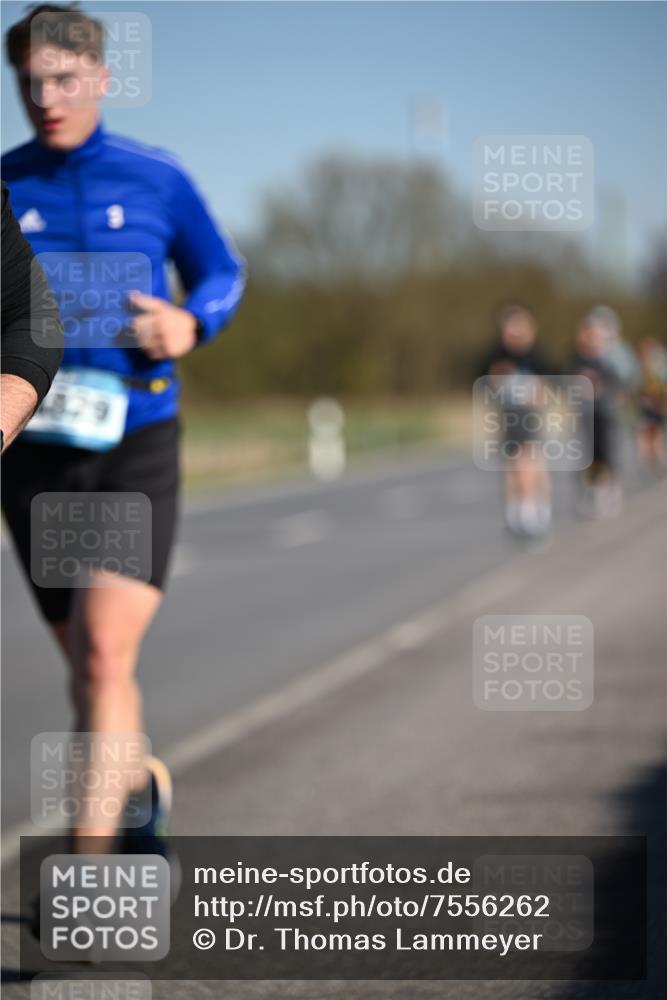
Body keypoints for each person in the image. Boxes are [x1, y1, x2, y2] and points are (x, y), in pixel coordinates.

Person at [1, 4, 246, 861]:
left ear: (103, 78)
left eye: (65, 80)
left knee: (104, 654)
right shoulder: (5, 183)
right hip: (32, 454)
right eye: (29, 84)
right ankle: (137, 785)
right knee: (90, 668)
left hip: (136, 439)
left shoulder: (155, 177)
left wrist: (191, 323)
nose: (47, 99)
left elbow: (221, 268)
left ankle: (90, 878)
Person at [478, 304, 553, 538]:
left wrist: (538, 393)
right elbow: (483, 383)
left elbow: (552, 383)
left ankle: (532, 509)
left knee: (528, 460)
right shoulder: (496, 355)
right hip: (507, 415)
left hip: (528, 414)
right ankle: (516, 510)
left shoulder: (537, 355)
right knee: (512, 464)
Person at [1, 179, 63, 451]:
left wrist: (195, 320)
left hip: (137, 417)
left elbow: (29, 312)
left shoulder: (159, 175)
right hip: (28, 440)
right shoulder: (13, 167)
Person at [570, 315, 623, 518]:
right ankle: (592, 492)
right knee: (587, 455)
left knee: (606, 453)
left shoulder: (607, 361)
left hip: (604, 413)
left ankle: (609, 490)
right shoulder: (576, 360)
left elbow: (618, 384)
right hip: (585, 413)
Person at [635, 336, 667, 475]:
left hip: (656, 404)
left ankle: (657, 460)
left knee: (655, 433)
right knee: (646, 432)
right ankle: (648, 461)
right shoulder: (640, 369)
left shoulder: (659, 369)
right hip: (646, 405)